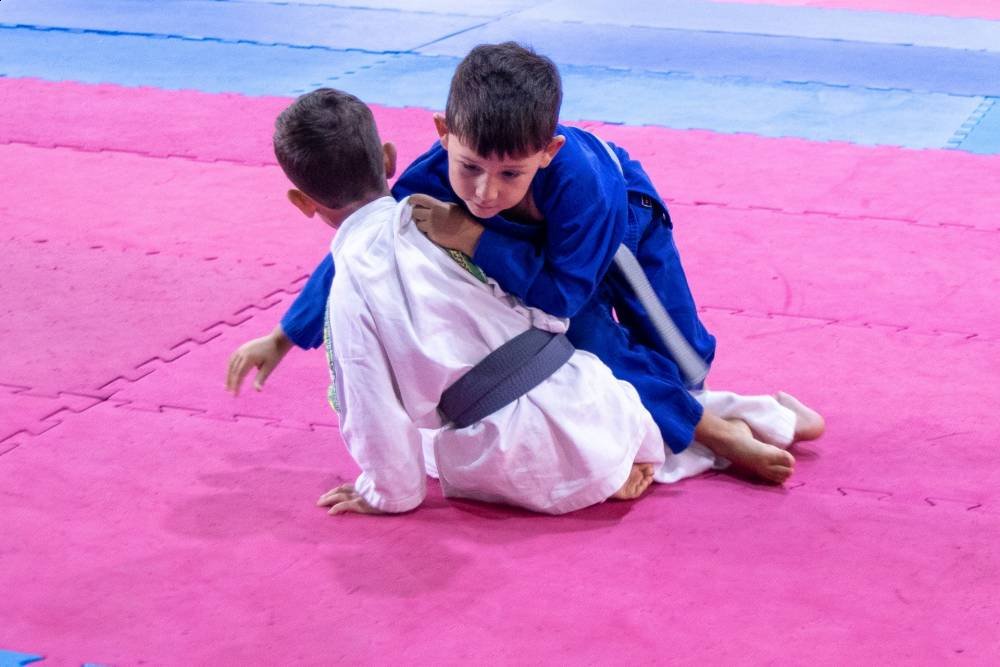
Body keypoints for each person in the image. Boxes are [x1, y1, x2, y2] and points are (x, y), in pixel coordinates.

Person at [229, 43, 824, 485]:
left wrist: (474, 238)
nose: (484, 191)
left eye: (509, 173)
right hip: (543, 263)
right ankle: (728, 429)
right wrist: (285, 334)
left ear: (547, 151)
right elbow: (362, 247)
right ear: (443, 134)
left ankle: (737, 415)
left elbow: (560, 296)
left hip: (620, 229)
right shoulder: (430, 176)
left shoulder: (582, 185)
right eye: (470, 167)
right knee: (590, 346)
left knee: (686, 366)